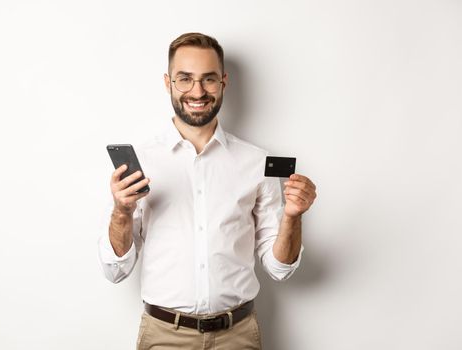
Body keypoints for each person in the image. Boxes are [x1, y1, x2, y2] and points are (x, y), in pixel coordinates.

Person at [98, 32, 317, 350]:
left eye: (208, 79)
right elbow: (115, 270)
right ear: (167, 82)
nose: (197, 91)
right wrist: (121, 211)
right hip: (164, 337)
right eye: (184, 79)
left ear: (223, 82)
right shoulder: (141, 162)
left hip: (237, 337)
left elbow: (279, 268)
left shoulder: (257, 162)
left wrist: (293, 217)